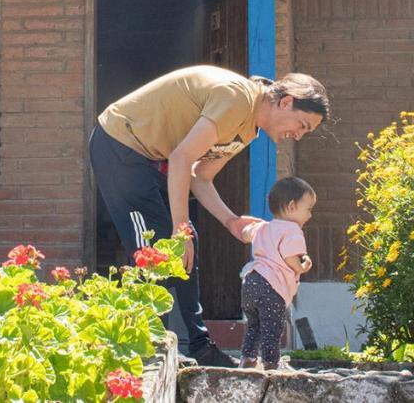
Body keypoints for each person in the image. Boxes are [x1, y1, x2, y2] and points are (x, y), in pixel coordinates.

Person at [90, 65, 328, 368]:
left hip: (151, 159)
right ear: (286, 102)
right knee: (155, 249)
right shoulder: (237, 98)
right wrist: (180, 229)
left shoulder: (248, 128)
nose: (298, 135)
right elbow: (181, 157)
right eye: (303, 124)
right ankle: (151, 348)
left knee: (185, 243)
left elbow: (199, 178)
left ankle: (200, 346)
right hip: (119, 146)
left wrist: (231, 221)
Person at [240, 176, 317, 370]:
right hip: (272, 287)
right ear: (292, 206)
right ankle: (270, 364)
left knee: (254, 325)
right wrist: (302, 266)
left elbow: (246, 233)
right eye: (308, 209)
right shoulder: (292, 230)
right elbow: (291, 257)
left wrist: (247, 228)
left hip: (251, 281)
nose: (310, 215)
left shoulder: (263, 226)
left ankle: (248, 358)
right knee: (272, 328)